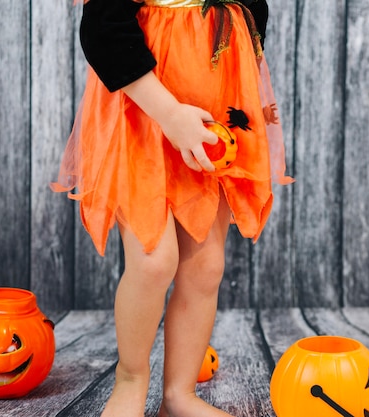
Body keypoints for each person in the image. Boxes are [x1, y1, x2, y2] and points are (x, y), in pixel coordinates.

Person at [52, 0, 292, 416]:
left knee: (205, 266)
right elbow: (104, 30)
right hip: (144, 115)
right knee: (153, 260)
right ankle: (130, 381)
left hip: (207, 117)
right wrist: (169, 113)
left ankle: (179, 395)